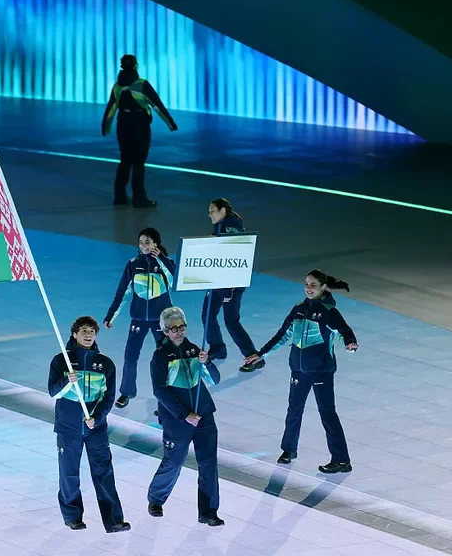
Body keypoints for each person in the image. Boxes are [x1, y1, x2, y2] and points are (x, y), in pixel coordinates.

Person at [243, 270, 358, 474]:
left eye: (313, 285)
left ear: (323, 287)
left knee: (327, 413)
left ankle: (341, 460)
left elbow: (344, 330)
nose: (308, 288)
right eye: (306, 284)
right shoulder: (298, 309)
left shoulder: (328, 311)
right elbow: (282, 334)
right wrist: (261, 354)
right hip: (298, 369)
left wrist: (350, 342)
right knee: (294, 410)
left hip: (321, 370)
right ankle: (289, 450)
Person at [48, 316, 130, 533]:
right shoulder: (61, 360)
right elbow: (53, 392)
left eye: (92, 331)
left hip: (96, 428)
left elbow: (108, 397)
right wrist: (67, 380)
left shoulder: (105, 364)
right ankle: (72, 517)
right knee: (69, 473)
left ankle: (114, 521)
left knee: (104, 472)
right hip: (68, 428)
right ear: (75, 334)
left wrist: (98, 417)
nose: (88, 335)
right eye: (84, 330)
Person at [147, 307, 224, 526]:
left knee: (208, 463)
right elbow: (160, 391)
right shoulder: (160, 356)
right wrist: (184, 414)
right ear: (165, 330)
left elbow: (214, 380)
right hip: (177, 418)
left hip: (204, 414)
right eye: (174, 328)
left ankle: (208, 512)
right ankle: (156, 498)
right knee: (173, 461)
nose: (179, 331)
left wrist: (207, 362)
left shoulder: (195, 351)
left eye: (182, 327)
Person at [104, 228, 175, 408]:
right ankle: (127, 392)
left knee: (167, 358)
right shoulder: (133, 264)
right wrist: (111, 315)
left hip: (162, 320)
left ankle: (169, 395)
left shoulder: (165, 263)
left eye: (148, 242)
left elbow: (176, 280)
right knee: (130, 357)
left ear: (156, 243)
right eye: (141, 242)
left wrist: (162, 259)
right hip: (138, 320)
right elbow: (122, 292)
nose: (144, 246)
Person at [102, 54, 177, 208]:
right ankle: (139, 198)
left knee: (125, 161)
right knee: (138, 162)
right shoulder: (142, 84)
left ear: (122, 66)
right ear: (135, 65)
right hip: (140, 125)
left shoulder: (117, 86)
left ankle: (119, 196)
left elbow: (111, 109)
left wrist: (106, 126)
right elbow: (157, 105)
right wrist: (170, 123)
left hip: (123, 125)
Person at [203, 198, 264, 372]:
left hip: (230, 285)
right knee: (208, 316)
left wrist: (228, 290)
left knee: (231, 321)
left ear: (223, 210)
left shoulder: (231, 229)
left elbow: (233, 260)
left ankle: (253, 357)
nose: (209, 214)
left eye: (212, 210)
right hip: (218, 281)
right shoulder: (222, 226)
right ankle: (218, 349)